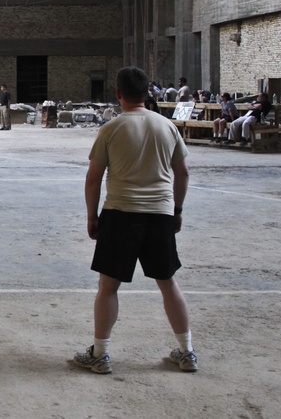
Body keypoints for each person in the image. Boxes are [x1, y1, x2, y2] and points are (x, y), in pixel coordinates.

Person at [73, 66, 196, 375]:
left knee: (108, 286)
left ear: (118, 94)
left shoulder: (111, 128)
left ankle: (100, 354)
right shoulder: (167, 127)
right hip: (159, 214)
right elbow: (183, 173)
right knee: (167, 283)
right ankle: (187, 351)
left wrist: (92, 215)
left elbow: (93, 179)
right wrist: (177, 210)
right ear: (147, 94)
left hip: (120, 214)